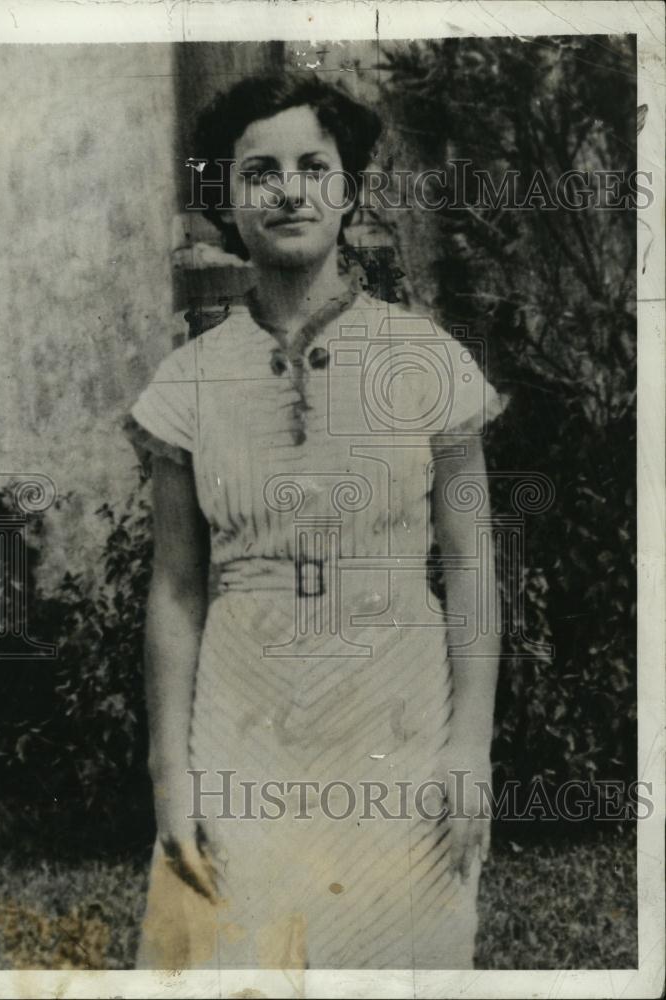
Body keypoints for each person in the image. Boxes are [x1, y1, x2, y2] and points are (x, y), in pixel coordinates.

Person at [122, 72, 503, 974]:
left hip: (397, 715)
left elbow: (474, 567)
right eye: (259, 171)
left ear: (347, 189)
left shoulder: (425, 361)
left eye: (313, 166)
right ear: (226, 196)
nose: (288, 189)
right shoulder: (190, 383)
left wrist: (470, 747)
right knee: (226, 961)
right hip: (242, 718)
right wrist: (170, 771)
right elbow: (175, 591)